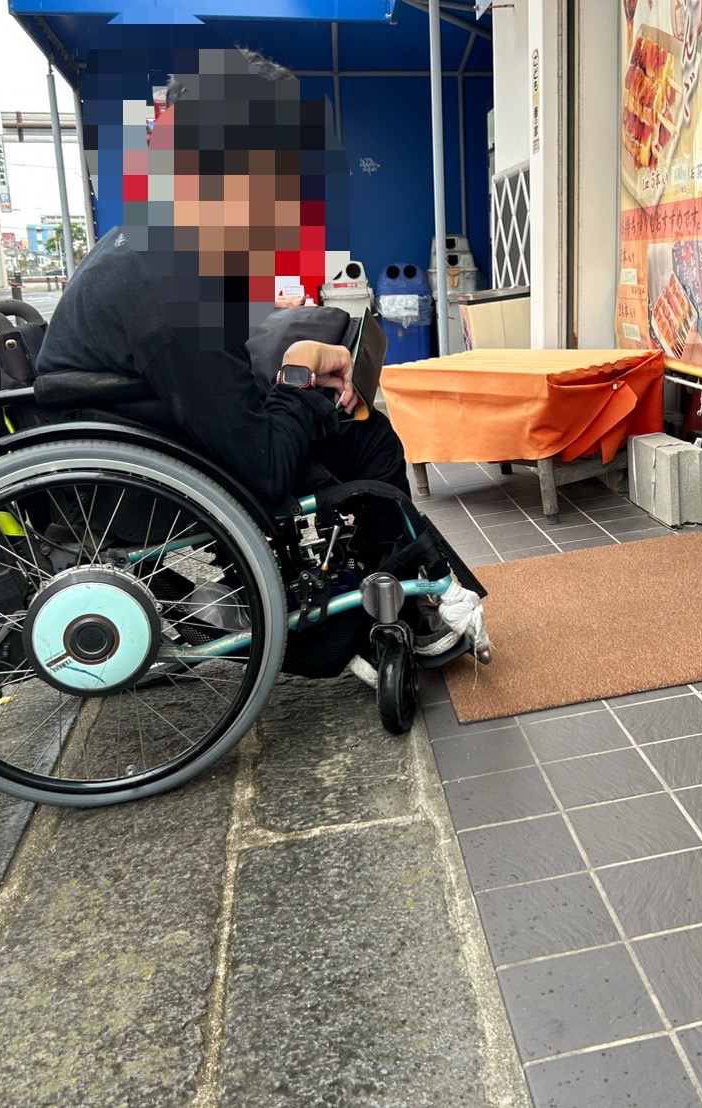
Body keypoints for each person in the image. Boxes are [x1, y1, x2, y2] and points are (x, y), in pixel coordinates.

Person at [34, 46, 482, 674]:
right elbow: (265, 468)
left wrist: (299, 368)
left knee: (359, 428)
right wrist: (298, 374)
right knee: (367, 443)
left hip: (135, 443)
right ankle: (396, 604)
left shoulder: (149, 239)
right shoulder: (173, 279)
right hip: (142, 480)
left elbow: (211, 377)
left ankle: (400, 595)